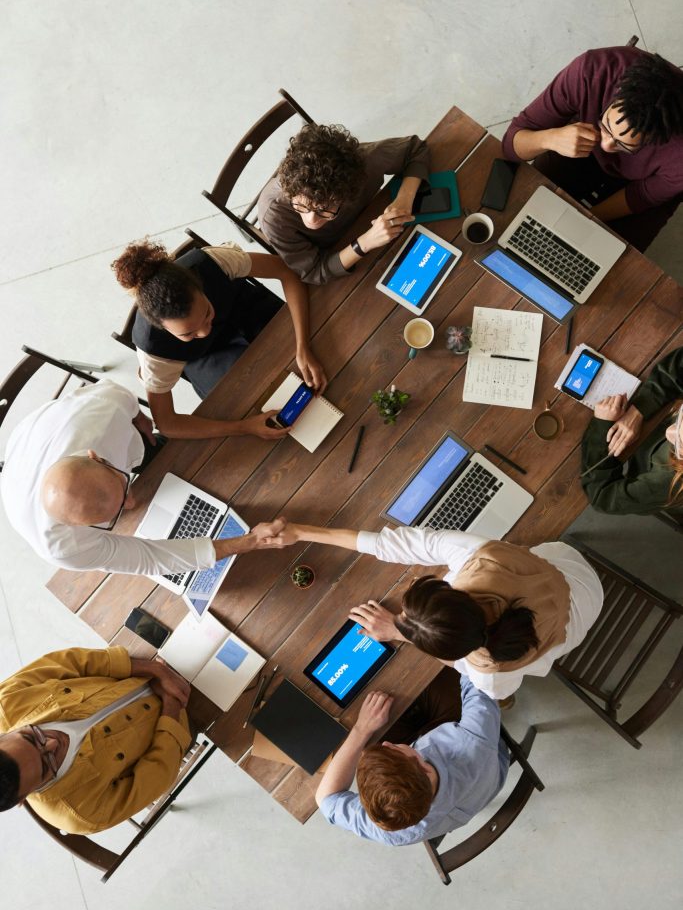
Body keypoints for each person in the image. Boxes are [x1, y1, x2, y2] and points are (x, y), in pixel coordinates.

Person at [269, 522, 603, 699]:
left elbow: (474, 673)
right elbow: (394, 544)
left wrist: (402, 635)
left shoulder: (488, 672)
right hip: (578, 580)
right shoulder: (481, 556)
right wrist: (301, 531)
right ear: (449, 589)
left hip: (577, 615)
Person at [0, 378, 288, 575]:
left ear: (95, 456)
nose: (131, 503)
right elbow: (149, 558)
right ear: (79, 526)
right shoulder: (62, 548)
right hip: (20, 461)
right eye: (109, 519)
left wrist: (141, 420)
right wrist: (248, 542)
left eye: (124, 489)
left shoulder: (103, 410)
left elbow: (121, 396)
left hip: (47, 427)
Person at [112, 239, 326, 438]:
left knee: (317, 345)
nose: (205, 331)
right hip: (203, 357)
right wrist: (244, 428)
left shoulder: (214, 262)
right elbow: (167, 423)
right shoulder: (154, 352)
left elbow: (285, 270)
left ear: (200, 286)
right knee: (246, 401)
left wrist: (302, 345)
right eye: (188, 333)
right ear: (163, 329)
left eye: (206, 314)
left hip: (244, 311)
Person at [502, 46, 683, 252]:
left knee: (611, 252)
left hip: (646, 179)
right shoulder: (591, 72)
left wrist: (587, 217)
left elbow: (642, 195)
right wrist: (550, 138)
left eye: (624, 144)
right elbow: (510, 145)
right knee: (528, 199)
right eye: (606, 126)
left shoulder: (679, 155)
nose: (605, 145)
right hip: (582, 144)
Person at [0, 645, 195, 834]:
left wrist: (155, 669)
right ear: (23, 800)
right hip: (184, 712)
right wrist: (172, 701)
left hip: (145, 662)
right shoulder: (84, 813)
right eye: (46, 764)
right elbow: (160, 772)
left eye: (32, 737)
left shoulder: (7, 702)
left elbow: (72, 662)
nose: (52, 743)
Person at [316, 670, 509, 846]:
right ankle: (505, 699)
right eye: (394, 750)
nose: (386, 744)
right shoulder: (473, 740)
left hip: (470, 783)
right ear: (424, 769)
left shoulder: (392, 830)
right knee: (441, 674)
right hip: (482, 763)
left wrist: (362, 729)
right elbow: (478, 674)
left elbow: (325, 799)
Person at [257, 123, 430, 284]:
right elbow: (313, 271)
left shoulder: (365, 162)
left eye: (324, 210)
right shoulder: (273, 216)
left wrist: (404, 198)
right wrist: (365, 242)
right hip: (344, 262)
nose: (311, 220)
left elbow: (415, 149)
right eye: (301, 206)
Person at [581, 347, 683, 520]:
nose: (670, 431)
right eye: (680, 419)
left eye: (680, 446)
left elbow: (603, 497)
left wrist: (601, 426)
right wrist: (639, 410)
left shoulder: (671, 482)